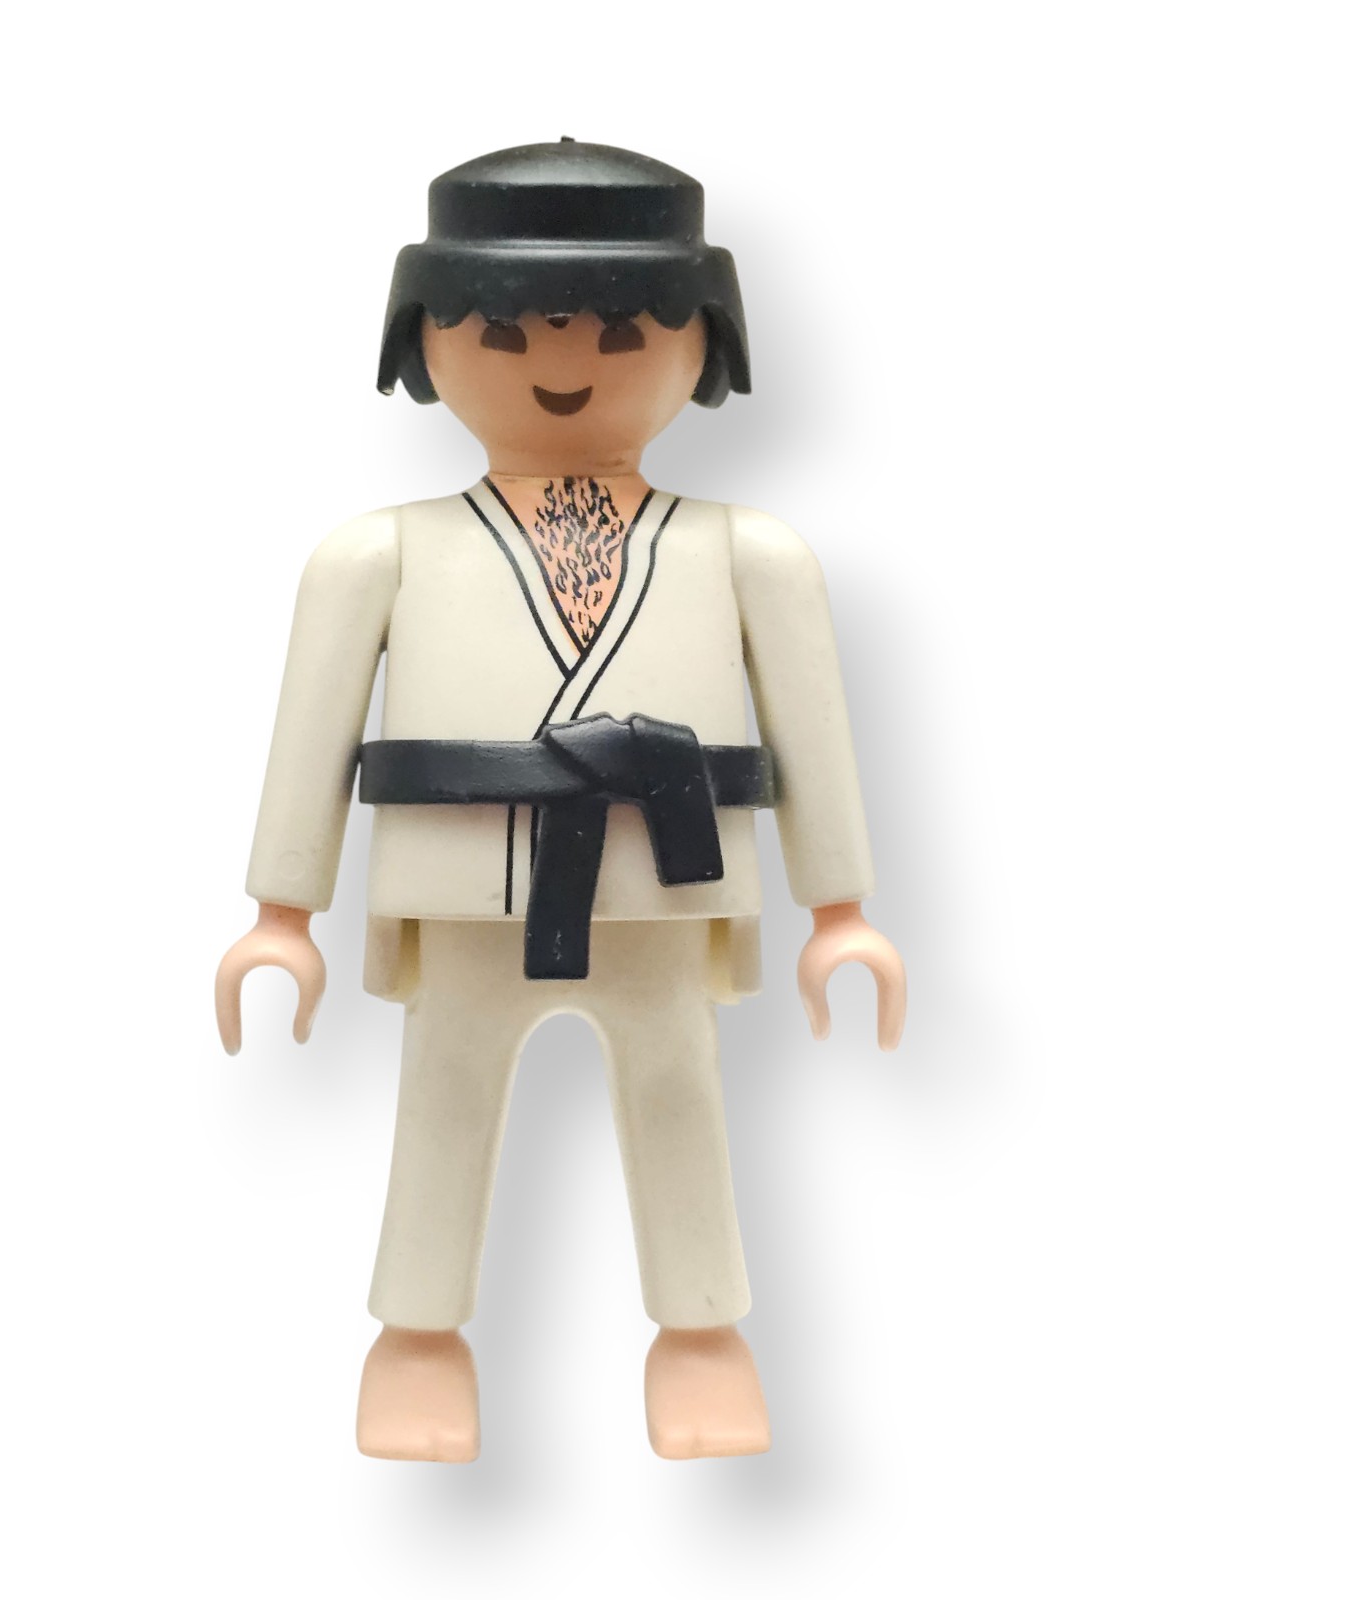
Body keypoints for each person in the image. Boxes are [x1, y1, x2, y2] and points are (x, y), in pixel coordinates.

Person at [215, 139, 906, 1462]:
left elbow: (812, 735)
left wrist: (843, 909)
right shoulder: (379, 554)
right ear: (430, 343)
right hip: (467, 887)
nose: (565, 362)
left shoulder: (748, 555)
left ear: (703, 346)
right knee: (444, 1103)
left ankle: (701, 1338)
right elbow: (312, 736)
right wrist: (279, 914)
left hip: (661, 885)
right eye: (504, 330)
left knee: (679, 1101)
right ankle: (418, 1340)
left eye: (625, 331)